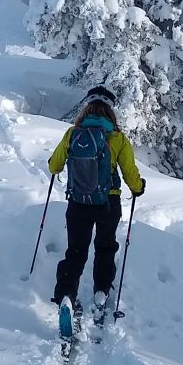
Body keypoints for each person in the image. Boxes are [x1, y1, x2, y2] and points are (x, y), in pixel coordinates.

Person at [47, 85, 145, 312]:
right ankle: (101, 291)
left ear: (87, 108)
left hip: (78, 201)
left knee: (76, 251)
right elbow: (130, 173)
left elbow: (54, 166)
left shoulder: (73, 133)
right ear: (110, 111)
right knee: (105, 247)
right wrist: (138, 188)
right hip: (108, 203)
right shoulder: (118, 138)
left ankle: (66, 296)